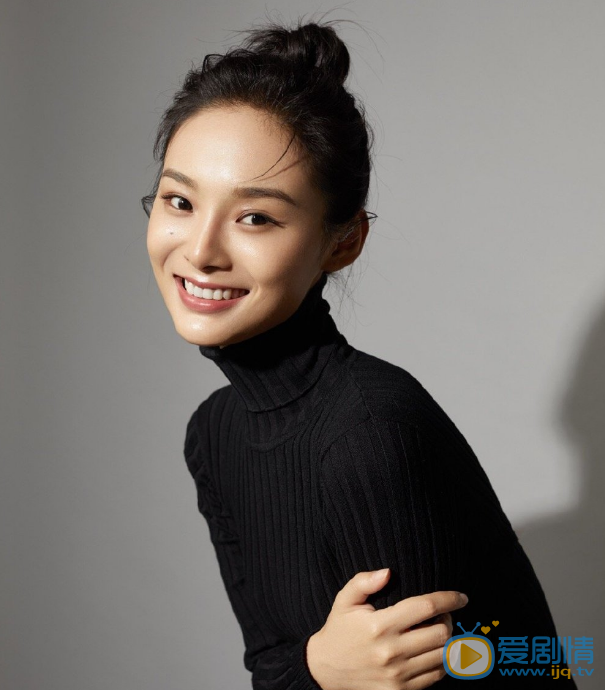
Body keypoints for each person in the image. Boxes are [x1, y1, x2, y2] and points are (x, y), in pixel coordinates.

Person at [143, 18, 576, 690]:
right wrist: (320, 667)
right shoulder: (214, 434)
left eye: (256, 217)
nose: (200, 251)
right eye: (179, 201)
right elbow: (271, 667)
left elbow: (520, 666)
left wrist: (320, 672)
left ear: (342, 242)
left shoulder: (368, 431)